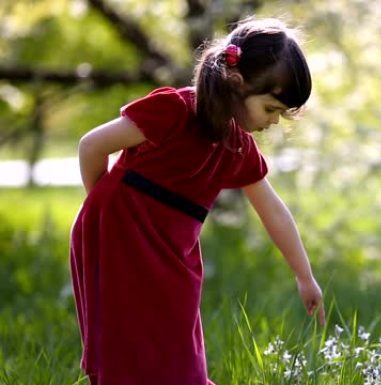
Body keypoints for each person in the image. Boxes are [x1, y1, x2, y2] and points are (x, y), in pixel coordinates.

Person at [69, 18, 325, 385]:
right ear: (237, 84)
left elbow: (274, 213)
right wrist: (100, 210)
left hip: (173, 252)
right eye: (271, 109)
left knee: (179, 356)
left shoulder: (237, 147)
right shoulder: (174, 111)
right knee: (124, 350)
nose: (273, 122)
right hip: (119, 241)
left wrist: (305, 276)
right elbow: (92, 145)